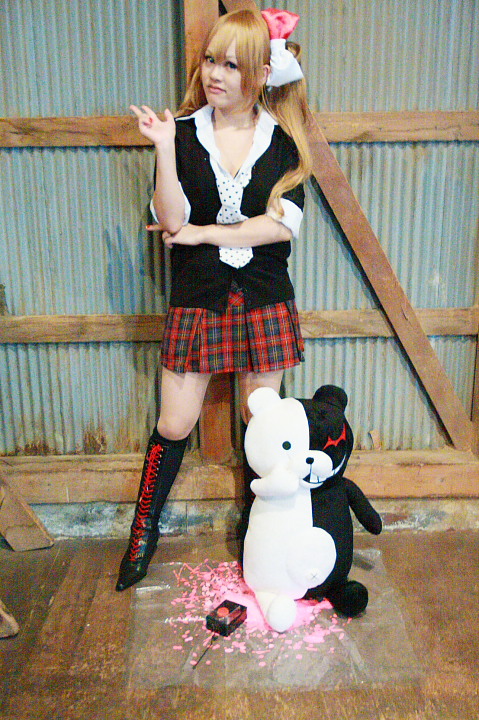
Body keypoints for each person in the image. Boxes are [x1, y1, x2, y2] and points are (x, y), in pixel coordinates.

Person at [116, 7, 312, 591]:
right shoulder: (181, 133)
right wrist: (162, 147)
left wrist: (206, 235)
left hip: (264, 298)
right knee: (175, 422)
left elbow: (280, 227)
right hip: (198, 298)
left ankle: (266, 536)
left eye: (231, 65)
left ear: (260, 74)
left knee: (261, 421)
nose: (214, 75)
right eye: (210, 60)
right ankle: (142, 534)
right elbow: (172, 220)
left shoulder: (283, 142)